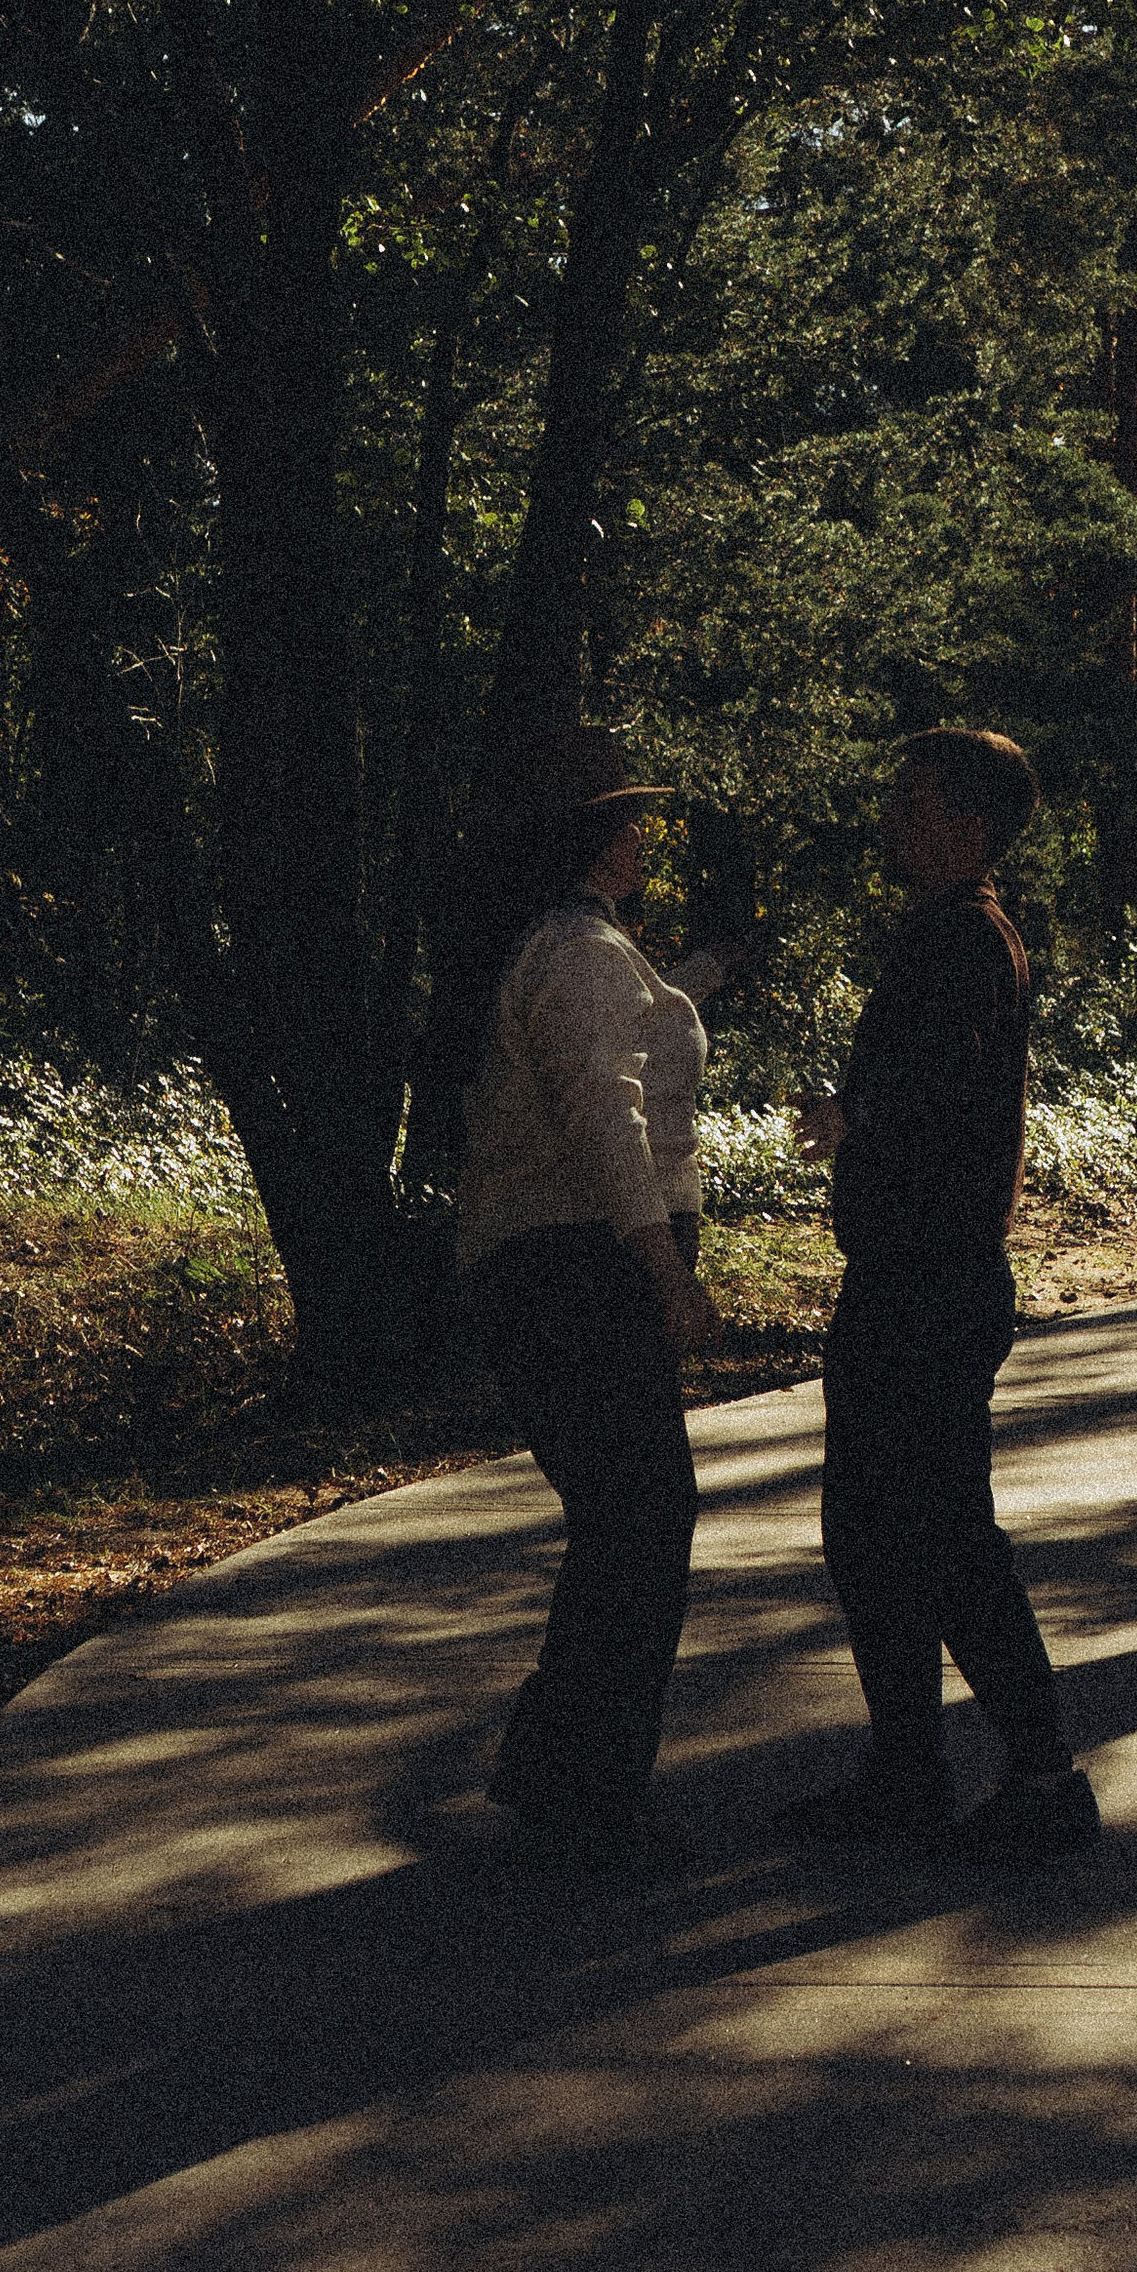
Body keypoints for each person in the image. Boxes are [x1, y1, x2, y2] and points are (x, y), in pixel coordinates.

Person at [779, 726, 1099, 1866]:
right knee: (879, 1535)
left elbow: (942, 1080)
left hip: (930, 1282)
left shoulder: (964, 938)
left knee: (940, 1536)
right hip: (916, 1276)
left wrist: (858, 1114)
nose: (891, 820)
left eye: (912, 804)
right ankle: (910, 1773)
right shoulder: (955, 931)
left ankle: (1042, 1777)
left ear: (968, 826)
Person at [449, 727, 723, 1866]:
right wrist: (664, 1272)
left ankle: (561, 1772)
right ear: (595, 841)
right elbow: (606, 1122)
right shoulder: (580, 954)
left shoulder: (580, 950)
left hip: (564, 1267)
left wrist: (694, 983)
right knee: (642, 1523)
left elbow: (609, 1065)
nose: (643, 836)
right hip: (577, 1272)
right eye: (627, 820)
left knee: (625, 1523)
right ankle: (590, 1796)